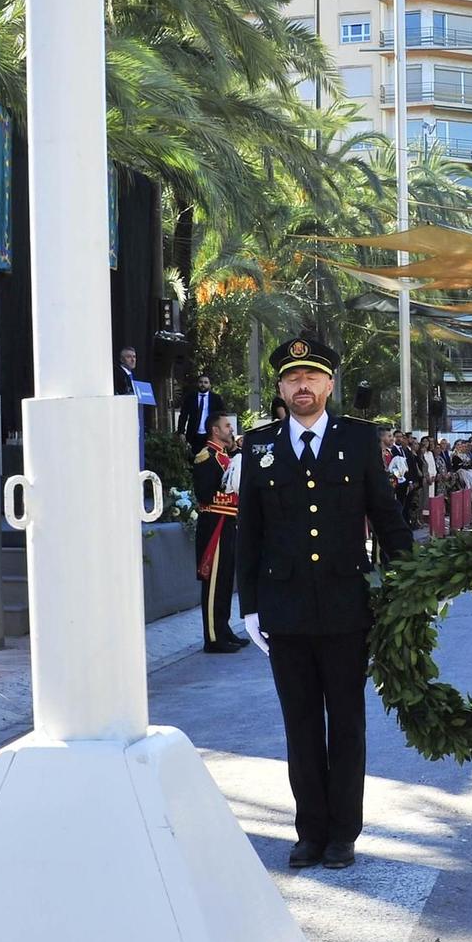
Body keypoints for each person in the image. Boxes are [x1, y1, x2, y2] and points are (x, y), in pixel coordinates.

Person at [234, 338, 412, 871]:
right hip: (284, 610)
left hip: (345, 606)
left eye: (312, 377)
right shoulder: (259, 445)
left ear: (330, 384)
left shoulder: (358, 441)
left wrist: (410, 584)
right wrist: (249, 606)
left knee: (347, 723)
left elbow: (386, 516)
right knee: (301, 725)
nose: (302, 387)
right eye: (292, 379)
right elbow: (251, 529)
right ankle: (309, 831)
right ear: (281, 389)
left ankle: (343, 833)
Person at [192, 414, 245, 654]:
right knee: (214, 581)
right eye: (226, 426)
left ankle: (223, 629)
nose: (230, 429)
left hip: (228, 521)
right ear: (215, 430)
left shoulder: (225, 457)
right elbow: (204, 494)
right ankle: (213, 637)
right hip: (214, 522)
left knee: (224, 580)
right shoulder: (207, 457)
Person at [175, 373, 228, 455]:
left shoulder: (216, 398)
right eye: (201, 382)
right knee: (194, 458)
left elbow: (222, 415)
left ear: (210, 385)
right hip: (194, 434)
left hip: (210, 434)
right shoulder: (190, 397)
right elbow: (183, 415)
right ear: (197, 383)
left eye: (206, 382)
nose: (203, 384)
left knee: (210, 458)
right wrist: (181, 432)